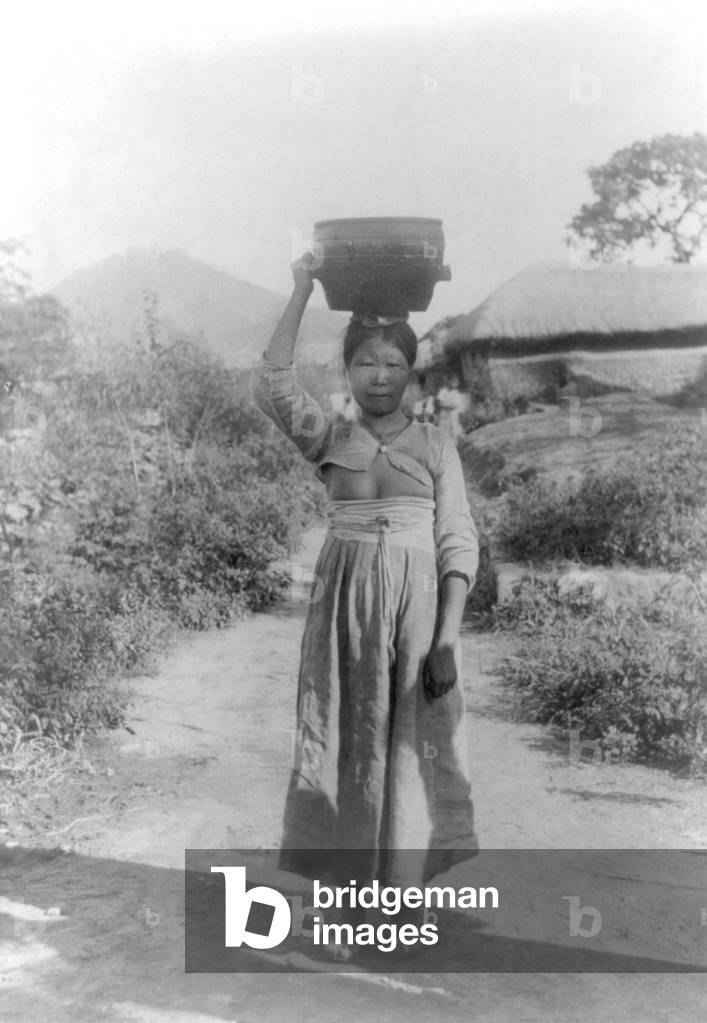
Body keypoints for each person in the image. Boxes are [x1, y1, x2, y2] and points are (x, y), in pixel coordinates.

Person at [251, 256, 479, 958]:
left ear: (410, 374)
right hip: (342, 608)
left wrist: (444, 640)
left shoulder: (437, 444)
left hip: (415, 619)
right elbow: (271, 383)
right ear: (347, 371)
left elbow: (456, 543)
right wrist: (298, 289)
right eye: (364, 364)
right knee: (348, 743)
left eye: (391, 364)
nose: (378, 376)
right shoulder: (331, 439)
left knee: (411, 748)